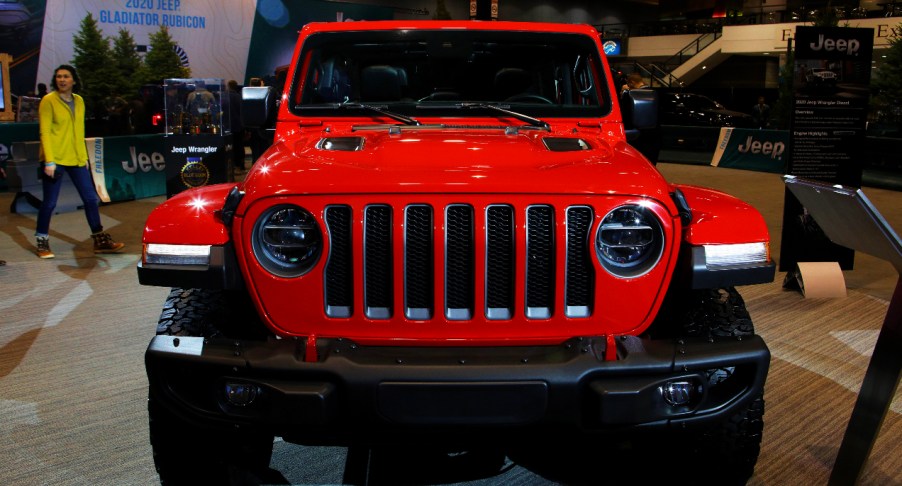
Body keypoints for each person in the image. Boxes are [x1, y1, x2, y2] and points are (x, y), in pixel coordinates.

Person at [35, 65, 125, 259]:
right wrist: (49, 161)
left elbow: (79, 131)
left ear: (74, 80)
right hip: (55, 159)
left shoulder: (79, 101)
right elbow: (45, 132)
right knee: (50, 203)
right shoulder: (48, 101)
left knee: (91, 198)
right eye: (58, 76)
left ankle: (100, 241)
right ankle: (42, 239)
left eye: (66, 76)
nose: (62, 80)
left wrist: (84, 157)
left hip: (76, 158)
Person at [227, 80, 246, 172]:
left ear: (229, 86)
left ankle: (233, 166)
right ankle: (241, 166)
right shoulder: (239, 97)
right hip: (239, 126)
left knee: (232, 147)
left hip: (228, 126)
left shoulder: (225, 97)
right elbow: (242, 112)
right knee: (240, 146)